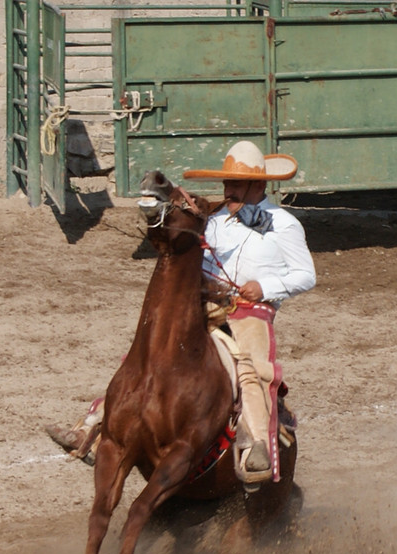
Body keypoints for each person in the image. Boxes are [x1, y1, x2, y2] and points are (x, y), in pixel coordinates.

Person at [45, 140, 316, 483]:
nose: (227, 189)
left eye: (235, 183)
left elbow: (306, 274)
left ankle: (255, 447)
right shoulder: (215, 219)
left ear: (259, 185)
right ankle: (93, 429)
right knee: (149, 352)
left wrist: (264, 287)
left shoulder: (284, 224)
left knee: (254, 369)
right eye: (226, 182)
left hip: (251, 311)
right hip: (205, 302)